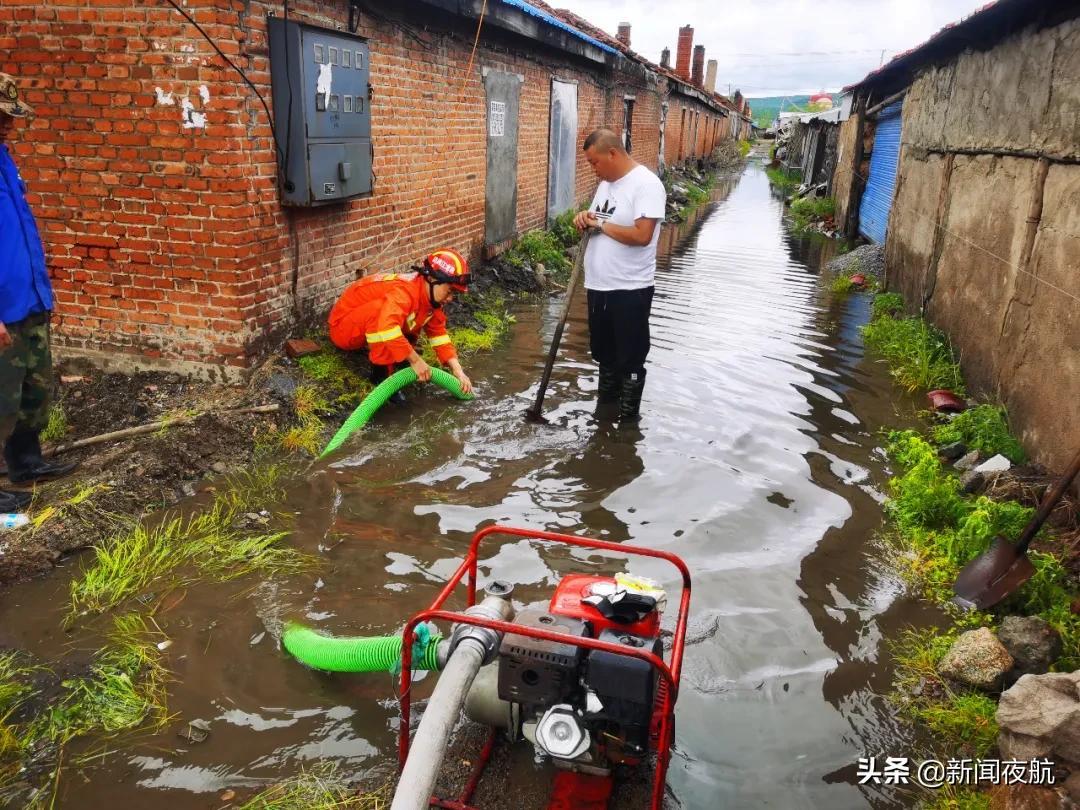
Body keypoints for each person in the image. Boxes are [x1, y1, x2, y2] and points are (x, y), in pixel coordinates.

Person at [0, 72, 77, 512]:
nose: (10, 124)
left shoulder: (5, 159)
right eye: (2, 117)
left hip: (28, 298)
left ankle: (26, 464)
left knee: (32, 389)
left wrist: (42, 292)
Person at [573, 128, 667, 423]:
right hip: (599, 286)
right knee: (604, 355)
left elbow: (642, 235)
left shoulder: (646, 185)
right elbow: (597, 221)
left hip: (629, 289)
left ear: (612, 154)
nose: (593, 170)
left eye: (594, 162)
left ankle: (627, 429)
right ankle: (603, 418)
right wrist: (585, 219)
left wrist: (600, 226)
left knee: (630, 358)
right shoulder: (606, 186)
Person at [328, 248, 474, 403]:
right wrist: (416, 361)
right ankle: (381, 376)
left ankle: (399, 358)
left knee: (410, 318)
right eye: (450, 291)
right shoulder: (405, 292)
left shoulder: (430, 298)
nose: (450, 298)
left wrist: (457, 370)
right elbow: (386, 328)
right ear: (432, 279)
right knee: (384, 318)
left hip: (362, 323)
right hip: (343, 329)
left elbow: (439, 334)